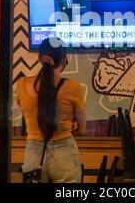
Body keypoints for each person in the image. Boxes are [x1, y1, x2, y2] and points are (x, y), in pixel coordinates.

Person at [17, 37, 86, 183]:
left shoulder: (22, 84)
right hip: (64, 152)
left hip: (34, 152)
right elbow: (82, 130)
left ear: (40, 59)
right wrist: (69, 125)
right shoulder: (73, 87)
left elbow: (27, 112)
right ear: (64, 60)